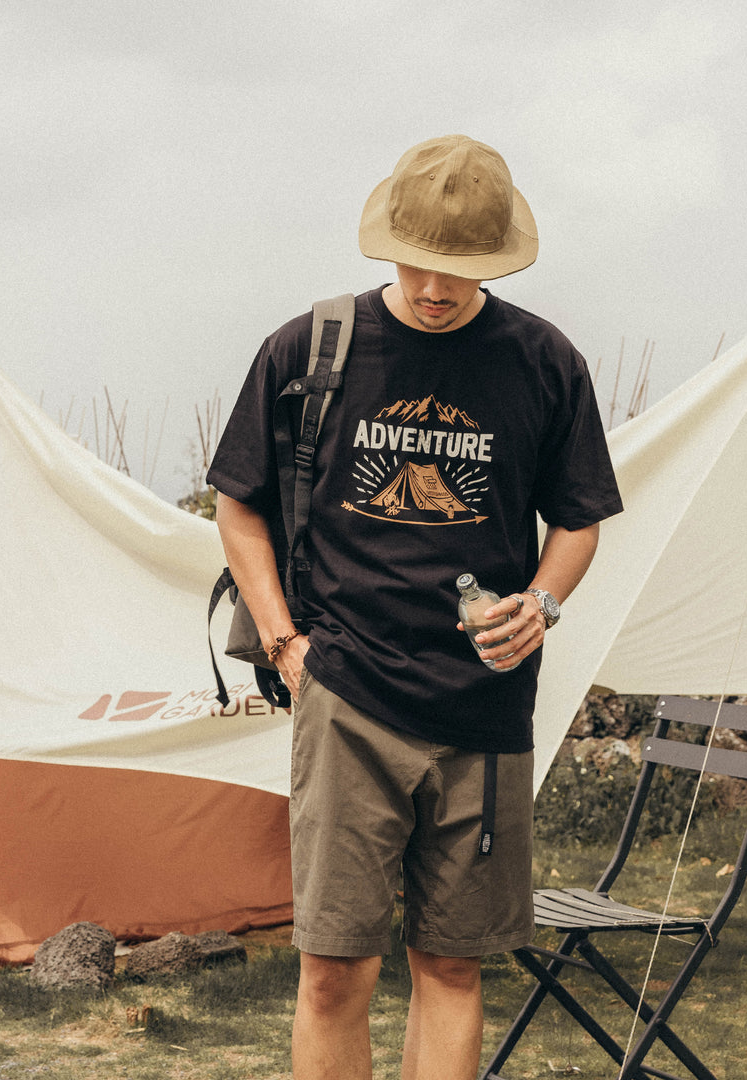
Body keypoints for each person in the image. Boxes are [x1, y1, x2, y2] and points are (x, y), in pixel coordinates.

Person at [207, 134, 623, 1080]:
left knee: (451, 964)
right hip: (346, 696)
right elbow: (239, 504)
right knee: (331, 971)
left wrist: (544, 603)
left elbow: (580, 521)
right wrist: (284, 643)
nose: (437, 286)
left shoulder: (543, 362)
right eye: (421, 261)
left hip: (484, 712)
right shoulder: (309, 349)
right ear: (389, 240)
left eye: (462, 269)